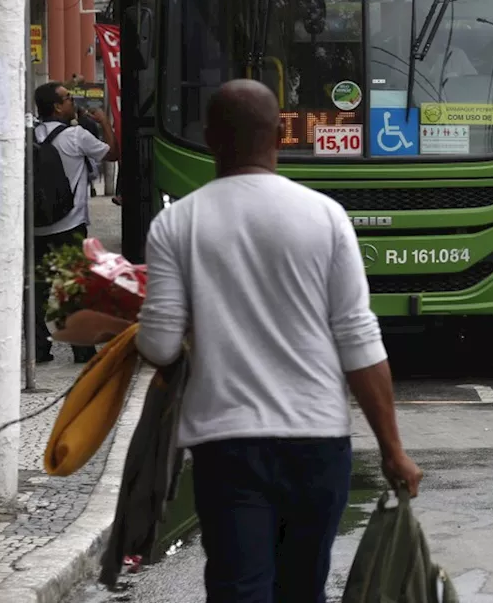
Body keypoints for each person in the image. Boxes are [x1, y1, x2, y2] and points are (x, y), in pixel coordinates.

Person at [135, 79, 422, 603]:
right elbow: (359, 342)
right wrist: (392, 450)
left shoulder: (177, 224)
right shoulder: (325, 217)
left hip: (227, 444)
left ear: (210, 137)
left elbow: (157, 345)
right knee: (302, 589)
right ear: (279, 136)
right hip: (317, 441)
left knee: (239, 587)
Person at [33, 81, 118, 363]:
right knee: (74, 288)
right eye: (68, 98)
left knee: (37, 289)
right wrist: (105, 122)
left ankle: (38, 349)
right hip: (70, 225)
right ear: (57, 106)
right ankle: (82, 350)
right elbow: (113, 153)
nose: (73, 101)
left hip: (36, 227)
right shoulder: (76, 135)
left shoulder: (30, 135)